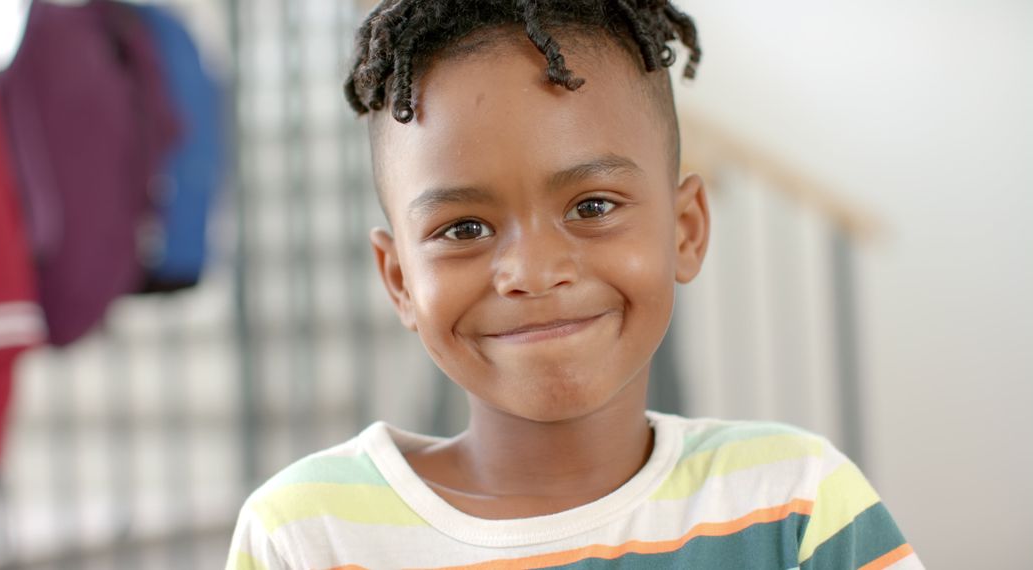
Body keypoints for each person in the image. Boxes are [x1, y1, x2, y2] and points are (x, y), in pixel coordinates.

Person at [227, 1, 922, 568]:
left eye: (592, 207)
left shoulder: (794, 507)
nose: (532, 272)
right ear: (400, 279)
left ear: (685, 230)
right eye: (463, 228)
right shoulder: (306, 536)